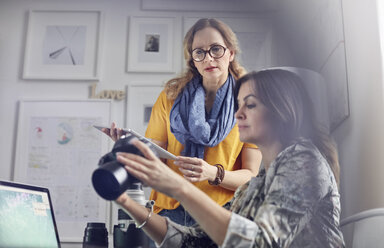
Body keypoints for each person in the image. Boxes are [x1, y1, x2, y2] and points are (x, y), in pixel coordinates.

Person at [113, 69, 345, 247]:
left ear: (282, 110)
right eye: (238, 104)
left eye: (250, 104)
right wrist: (128, 203)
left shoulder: (304, 160)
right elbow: (198, 243)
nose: (238, 113)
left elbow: (259, 243)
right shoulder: (252, 187)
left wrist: (179, 188)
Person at [105, 18, 262, 227]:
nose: (208, 58)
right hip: (169, 212)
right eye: (199, 52)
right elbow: (155, 160)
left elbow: (252, 177)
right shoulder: (170, 97)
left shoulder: (250, 103)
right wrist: (129, 148)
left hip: (221, 214)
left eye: (216, 49)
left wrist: (212, 173)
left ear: (231, 53)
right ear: (193, 60)